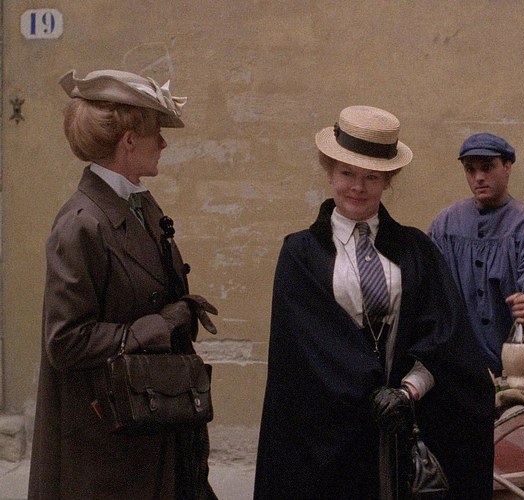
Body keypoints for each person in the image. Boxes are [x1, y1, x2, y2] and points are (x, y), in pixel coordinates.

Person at [254, 106, 495, 499]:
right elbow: (309, 349)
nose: (357, 187)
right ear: (330, 172)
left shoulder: (417, 250)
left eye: (371, 177)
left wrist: (406, 392)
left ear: (388, 181)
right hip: (328, 435)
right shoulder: (301, 254)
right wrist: (368, 390)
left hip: (401, 424)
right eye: (347, 173)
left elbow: (446, 337)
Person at [29, 69, 218, 499]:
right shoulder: (80, 224)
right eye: (156, 134)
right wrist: (156, 326)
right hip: (105, 444)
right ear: (129, 141)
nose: (163, 144)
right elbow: (65, 341)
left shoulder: (139, 203)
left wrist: (180, 311)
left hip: (150, 422)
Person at [428, 133, 524, 374]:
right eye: (470, 170)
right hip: (462, 365)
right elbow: (429, 279)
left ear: (507, 167)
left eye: (487, 167)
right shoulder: (446, 225)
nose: (479, 178)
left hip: (519, 364)